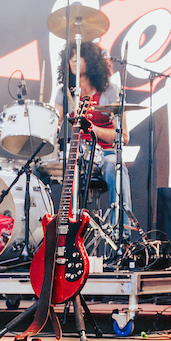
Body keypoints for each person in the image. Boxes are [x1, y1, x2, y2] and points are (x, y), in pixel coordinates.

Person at [59, 41, 133, 230]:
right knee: (36, 172)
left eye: (79, 55)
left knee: (115, 167)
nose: (73, 59)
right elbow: (55, 126)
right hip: (74, 155)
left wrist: (92, 129)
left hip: (105, 154)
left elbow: (123, 137)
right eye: (71, 55)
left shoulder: (109, 92)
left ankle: (121, 235)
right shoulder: (64, 93)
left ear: (91, 61)